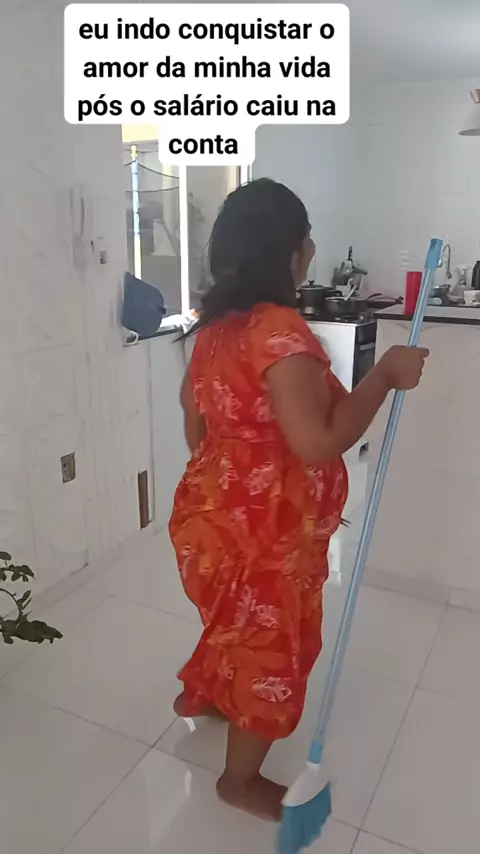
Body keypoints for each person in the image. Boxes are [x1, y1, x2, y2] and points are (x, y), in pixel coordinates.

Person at [169, 178, 428, 822]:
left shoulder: (214, 327)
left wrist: (233, 476)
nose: (311, 249)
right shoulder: (279, 331)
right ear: (291, 250)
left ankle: (210, 697)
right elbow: (318, 442)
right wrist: (385, 376)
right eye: (306, 238)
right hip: (268, 537)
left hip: (207, 521)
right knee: (272, 648)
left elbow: (194, 422)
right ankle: (239, 780)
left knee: (233, 623)